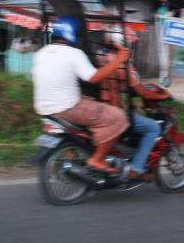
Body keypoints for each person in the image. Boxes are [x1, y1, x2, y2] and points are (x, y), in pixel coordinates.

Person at [32, 16, 131, 174]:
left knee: (89, 101)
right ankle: (97, 158)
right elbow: (94, 78)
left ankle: (74, 154)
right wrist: (119, 60)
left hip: (44, 110)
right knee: (119, 117)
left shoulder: (41, 53)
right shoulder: (74, 53)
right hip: (67, 109)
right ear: (73, 35)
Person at [98, 31, 163, 180]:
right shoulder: (122, 64)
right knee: (154, 128)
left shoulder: (97, 59)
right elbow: (142, 92)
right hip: (115, 114)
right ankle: (137, 167)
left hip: (97, 109)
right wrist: (162, 95)